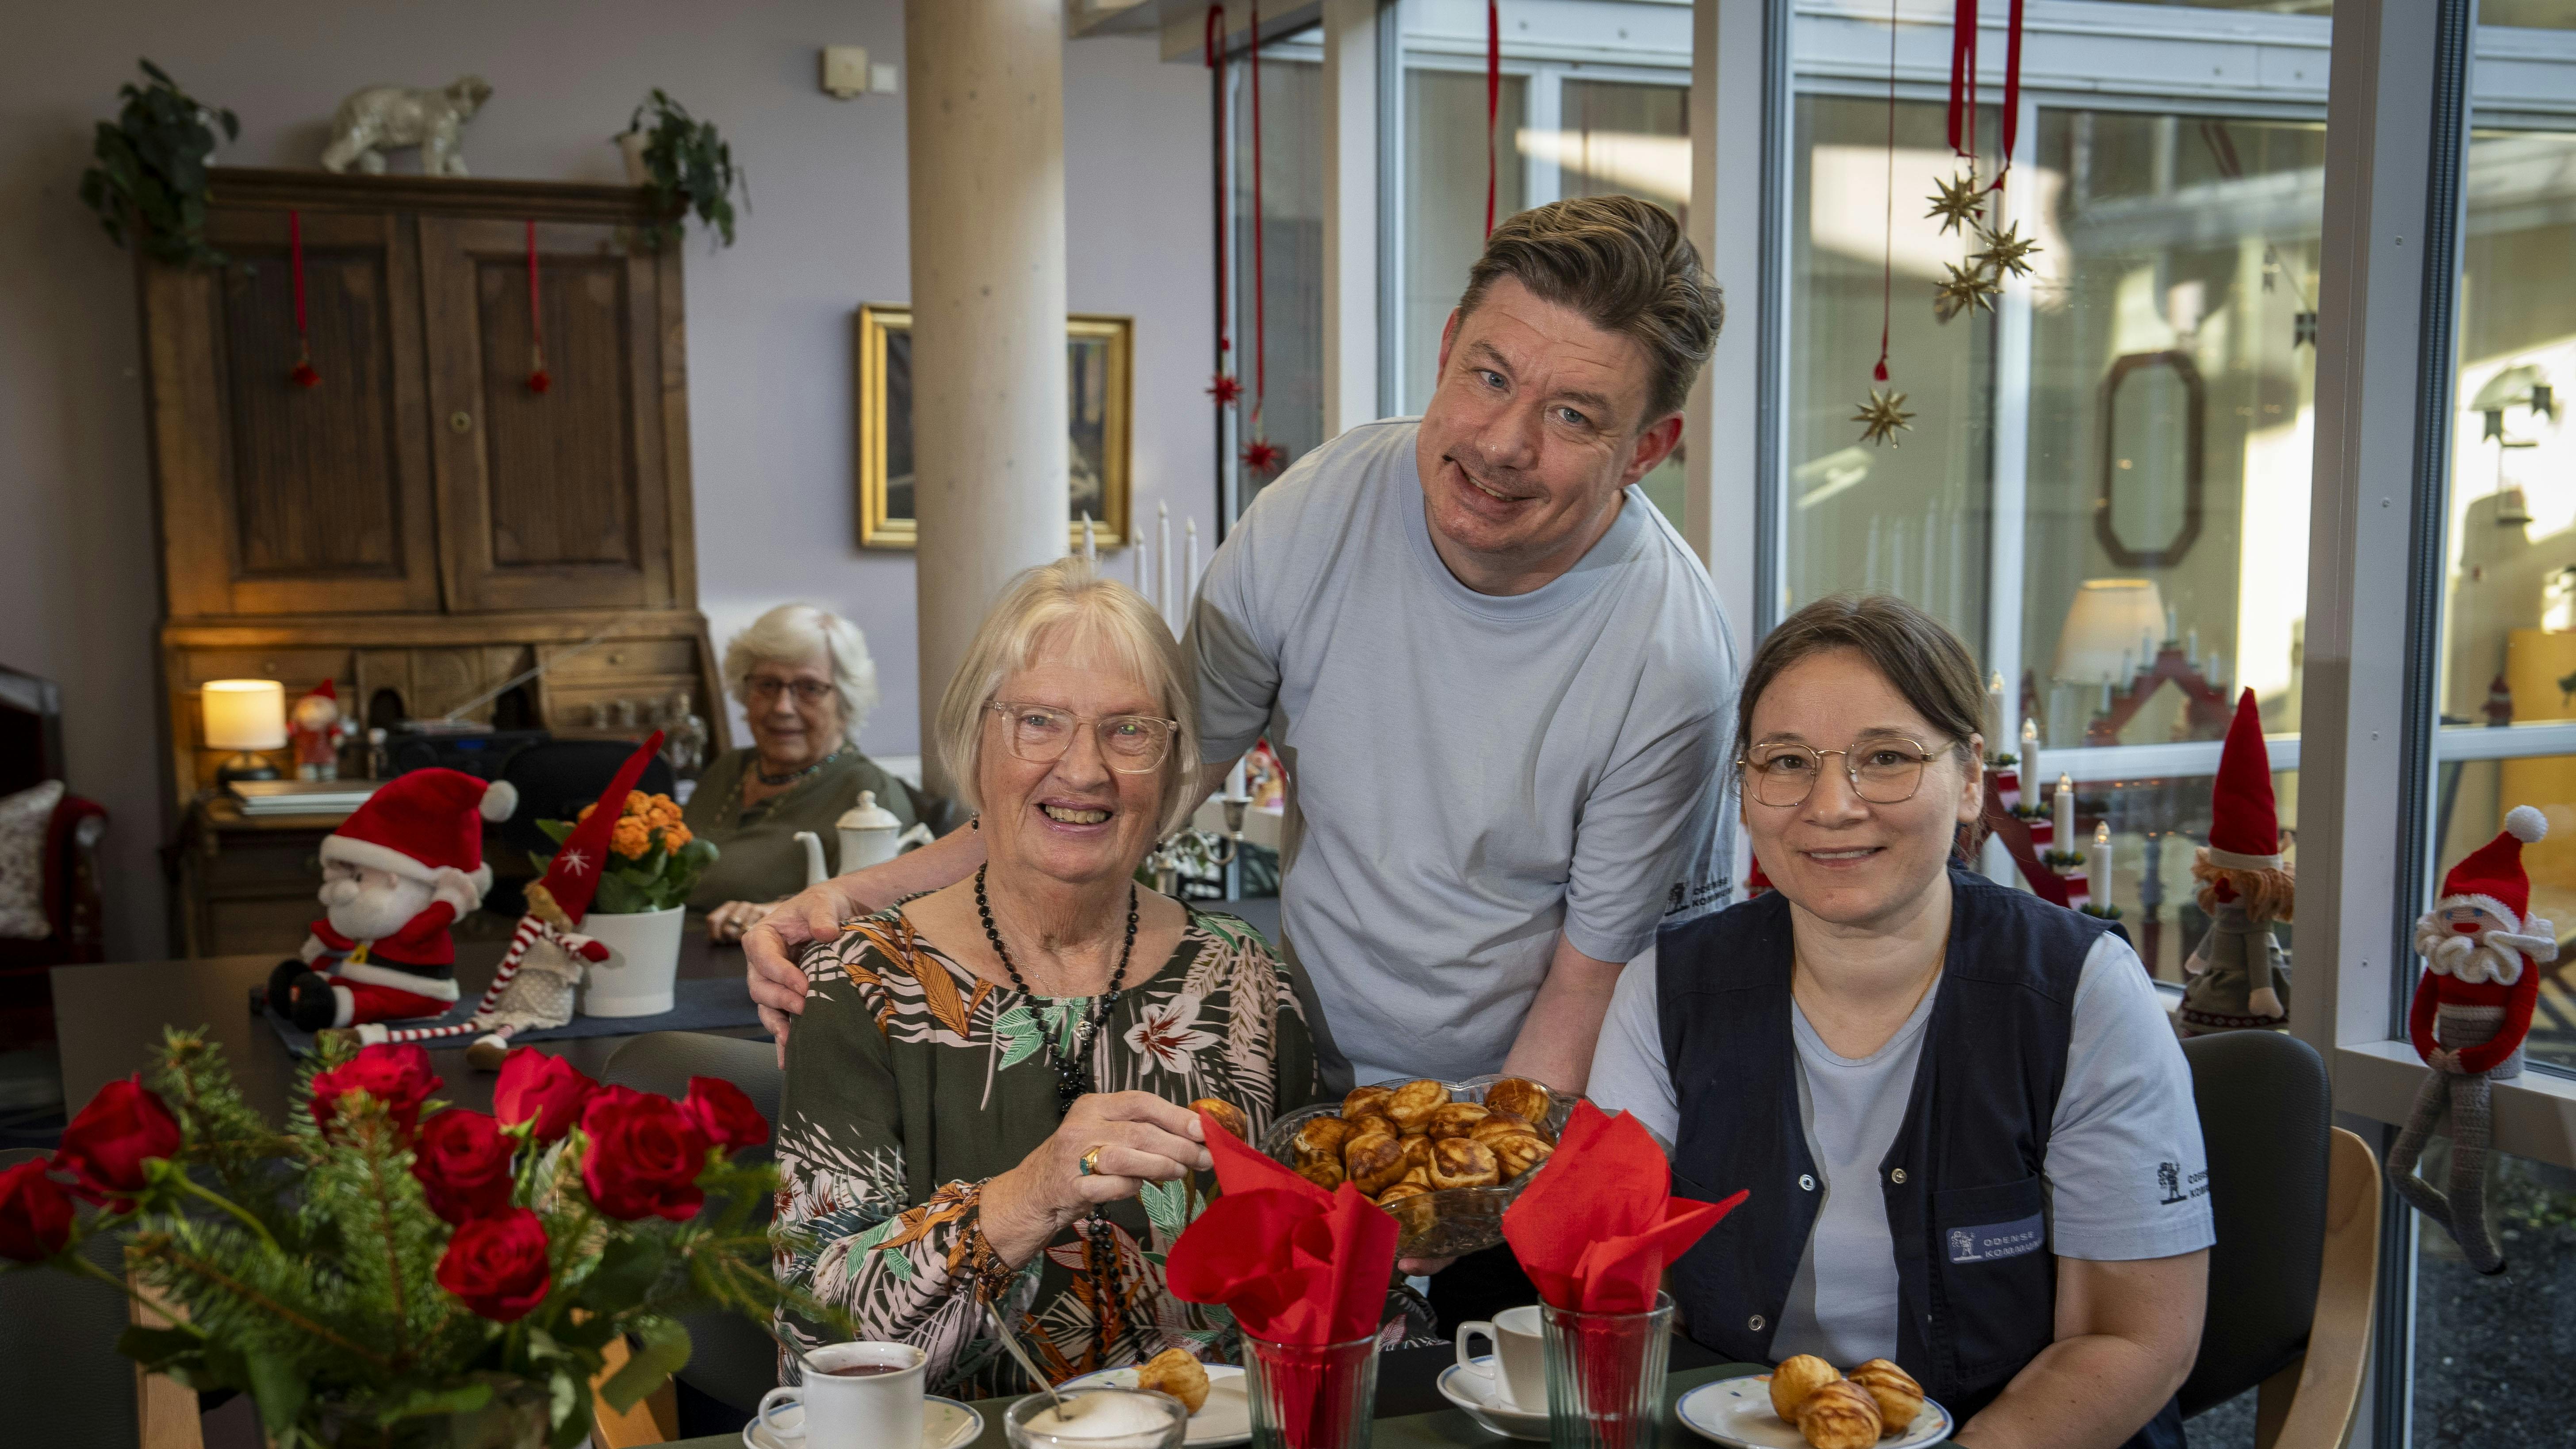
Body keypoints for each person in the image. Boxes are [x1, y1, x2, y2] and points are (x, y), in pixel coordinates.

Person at [749, 195, 1739, 1326]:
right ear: (1445, 347)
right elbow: (1130, 786)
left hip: (1525, 1132)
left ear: (1646, 449)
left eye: (1572, 414)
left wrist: (1449, 1205)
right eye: (1489, 375)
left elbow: (1583, 986)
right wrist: (853, 900)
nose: (1504, 442)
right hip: (1305, 1082)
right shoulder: (1319, 511)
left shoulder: (1670, 662)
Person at [1587, 595, 2210, 1449]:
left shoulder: (2081, 991)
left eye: (1884, 757)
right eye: (1786, 761)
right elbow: (1613, 1292)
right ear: (1743, 790)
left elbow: (2134, 1339)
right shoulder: (1662, 988)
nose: (1830, 805)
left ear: (1969, 779)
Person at [772, 560, 1320, 1395]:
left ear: (1173, 761)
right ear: (973, 743)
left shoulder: (1242, 976)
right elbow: (815, 1337)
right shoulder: (861, 982)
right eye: (1038, 722)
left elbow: (1315, 1280)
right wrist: (1030, 1196)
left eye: (1129, 730)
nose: (1085, 769)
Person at [685, 604, 957, 942]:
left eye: (810, 688)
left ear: (845, 700)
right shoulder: (728, 769)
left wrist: (778, 911)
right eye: (767, 684)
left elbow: (883, 918)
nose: (782, 707)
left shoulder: (868, 792)